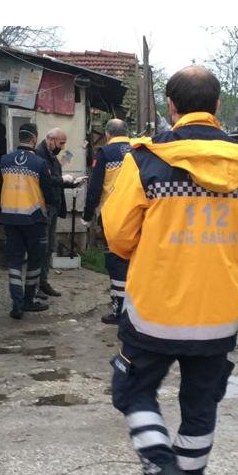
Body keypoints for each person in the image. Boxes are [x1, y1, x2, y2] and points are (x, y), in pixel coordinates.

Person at [102, 65, 238, 475]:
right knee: (201, 405)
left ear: (171, 108)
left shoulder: (147, 159)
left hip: (154, 311)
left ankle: (164, 472)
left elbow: (117, 235)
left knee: (133, 391)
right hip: (218, 313)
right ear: (218, 106)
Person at [0, 123, 55, 319]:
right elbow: (49, 193)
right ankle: (29, 300)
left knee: (14, 261)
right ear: (34, 138)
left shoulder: (4, 160)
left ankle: (17, 303)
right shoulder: (40, 164)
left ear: (19, 137)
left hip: (9, 217)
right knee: (34, 260)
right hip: (34, 218)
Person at [82, 119, 135, 325]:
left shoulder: (105, 153)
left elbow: (95, 188)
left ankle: (118, 310)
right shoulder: (139, 150)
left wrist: (87, 215)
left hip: (113, 216)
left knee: (115, 262)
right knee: (136, 261)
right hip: (139, 214)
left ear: (107, 134)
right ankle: (135, 308)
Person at [35, 128, 86, 298]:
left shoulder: (51, 156)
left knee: (49, 247)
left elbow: (56, 179)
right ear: (51, 140)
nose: (63, 147)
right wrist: (62, 180)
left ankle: (43, 282)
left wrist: (72, 183)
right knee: (41, 247)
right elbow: (45, 180)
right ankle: (35, 285)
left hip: (53, 206)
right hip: (44, 206)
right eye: (61, 143)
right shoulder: (40, 155)